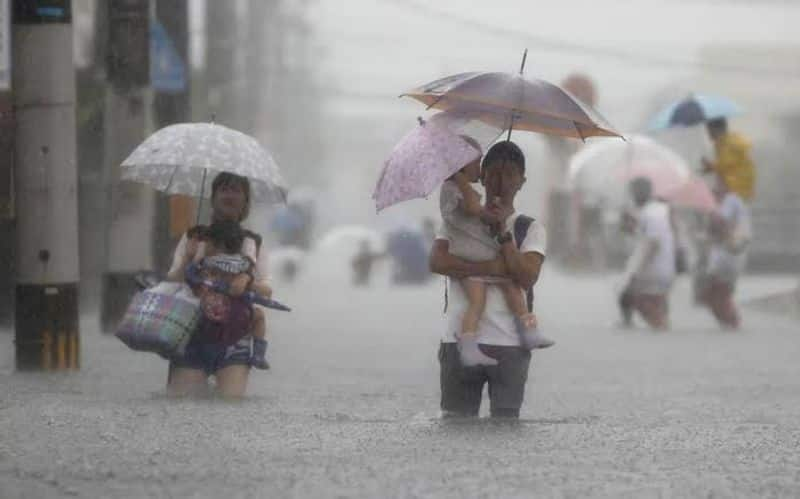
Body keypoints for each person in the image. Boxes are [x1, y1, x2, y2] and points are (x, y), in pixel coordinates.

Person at [430, 140, 548, 418]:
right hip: (458, 341)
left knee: (505, 426)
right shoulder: (457, 219)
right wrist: (494, 267)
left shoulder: (528, 228)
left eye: (510, 175)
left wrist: (502, 235)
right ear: (482, 176)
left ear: (522, 181)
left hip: (510, 346)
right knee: (454, 426)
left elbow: (528, 276)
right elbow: (438, 261)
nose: (501, 181)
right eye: (493, 173)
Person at [166, 172, 271, 398]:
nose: (229, 195)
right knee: (181, 403)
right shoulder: (194, 237)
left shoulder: (252, 242)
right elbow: (172, 281)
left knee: (230, 402)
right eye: (223, 189)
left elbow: (267, 290)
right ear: (213, 198)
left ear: (245, 201)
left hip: (236, 337)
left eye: (236, 190)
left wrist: (247, 281)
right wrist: (188, 258)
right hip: (193, 333)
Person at [186, 219, 271, 370]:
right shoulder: (242, 263)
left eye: (207, 243)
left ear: (217, 244)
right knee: (259, 316)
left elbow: (191, 277)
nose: (205, 246)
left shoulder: (207, 262)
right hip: (237, 317)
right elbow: (260, 290)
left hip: (209, 316)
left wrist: (193, 260)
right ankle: (258, 354)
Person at [616, 177, 676, 330]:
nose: (633, 196)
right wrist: (630, 225)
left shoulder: (652, 213)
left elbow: (653, 243)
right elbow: (644, 233)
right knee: (655, 302)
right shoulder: (656, 210)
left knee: (627, 294)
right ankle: (660, 322)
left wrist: (635, 272)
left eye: (634, 192)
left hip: (653, 270)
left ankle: (655, 323)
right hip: (665, 269)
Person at [702, 176, 751, 329]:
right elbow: (714, 231)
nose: (713, 186)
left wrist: (710, 209)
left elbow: (721, 223)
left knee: (717, 291)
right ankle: (728, 322)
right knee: (716, 292)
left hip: (729, 254)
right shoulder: (728, 201)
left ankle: (732, 322)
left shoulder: (731, 200)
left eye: (717, 183)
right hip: (725, 254)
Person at [702, 118, 755, 202]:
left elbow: (725, 164)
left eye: (709, 130)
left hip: (736, 188)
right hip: (733, 187)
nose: (708, 134)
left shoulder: (729, 143)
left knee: (720, 210)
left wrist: (710, 166)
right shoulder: (723, 142)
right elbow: (726, 165)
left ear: (717, 129)